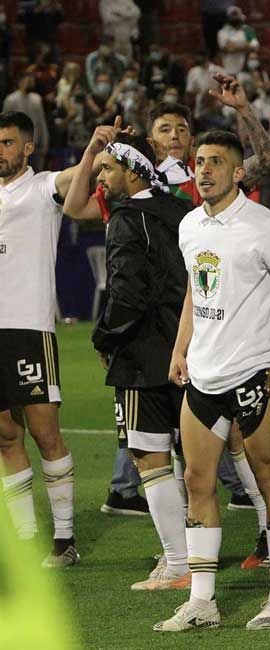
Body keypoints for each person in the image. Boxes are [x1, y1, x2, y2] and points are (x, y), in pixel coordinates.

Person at [154, 130, 270, 632]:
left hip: (254, 374)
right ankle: (202, 602)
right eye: (199, 162)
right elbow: (195, 294)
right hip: (203, 374)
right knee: (196, 481)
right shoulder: (190, 226)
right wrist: (180, 349)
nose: (204, 170)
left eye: (216, 162)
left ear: (238, 172)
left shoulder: (265, 226)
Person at [68, 125, 193, 590]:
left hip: (143, 355)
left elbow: (126, 294)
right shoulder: (182, 212)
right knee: (200, 459)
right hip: (189, 349)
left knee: (150, 457)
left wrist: (104, 339)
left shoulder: (124, 219)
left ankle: (177, 565)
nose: (101, 176)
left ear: (134, 171)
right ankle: (247, 548)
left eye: (108, 167)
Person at [0, 111, 96, 566]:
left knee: (45, 433)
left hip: (28, 327)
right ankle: (23, 537)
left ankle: (64, 540)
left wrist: (98, 145)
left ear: (27, 148)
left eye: (7, 142)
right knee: (4, 436)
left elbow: (82, 173)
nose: (0, 150)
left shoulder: (44, 188)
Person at [217, 6, 258, 76]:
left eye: (236, 15)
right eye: (232, 16)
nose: (234, 18)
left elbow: (254, 46)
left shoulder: (247, 30)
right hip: (228, 68)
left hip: (246, 69)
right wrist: (245, 45)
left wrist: (234, 45)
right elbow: (227, 48)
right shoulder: (223, 32)